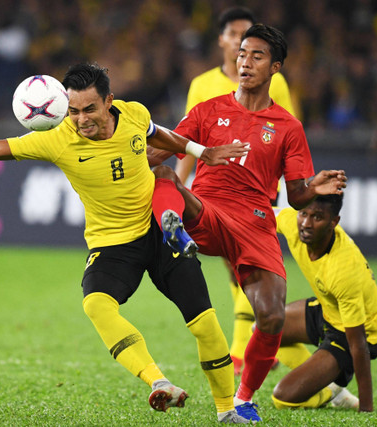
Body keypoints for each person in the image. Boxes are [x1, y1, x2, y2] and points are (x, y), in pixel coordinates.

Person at [0, 63, 253, 424]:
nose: (81, 119)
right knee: (96, 305)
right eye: (73, 110)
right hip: (111, 244)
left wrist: (203, 153)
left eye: (90, 109)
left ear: (109, 101)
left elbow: (159, 134)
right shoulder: (56, 136)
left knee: (203, 322)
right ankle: (160, 382)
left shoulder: (134, 113)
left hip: (156, 231)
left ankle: (226, 410)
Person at [148, 24, 347, 422]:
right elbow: (157, 154)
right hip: (206, 209)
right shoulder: (208, 110)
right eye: (242, 54)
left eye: (256, 56)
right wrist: (132, 153)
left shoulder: (288, 127)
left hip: (256, 221)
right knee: (167, 177)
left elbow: (295, 196)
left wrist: (316, 186)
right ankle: (174, 228)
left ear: (275, 67)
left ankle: (242, 398)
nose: (245, 62)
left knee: (271, 317)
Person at [177, 6, 299, 378]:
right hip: (213, 194)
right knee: (240, 274)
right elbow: (183, 142)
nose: (241, 50)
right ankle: (240, 350)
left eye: (251, 44)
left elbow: (285, 133)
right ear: (223, 40)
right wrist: (177, 188)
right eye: (235, 37)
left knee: (249, 280)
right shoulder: (202, 86)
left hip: (257, 197)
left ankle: (247, 351)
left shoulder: (275, 85)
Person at [273, 194, 377, 412]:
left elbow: (359, 344)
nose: (306, 223)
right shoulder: (293, 222)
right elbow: (258, 214)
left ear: (334, 222)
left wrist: (366, 408)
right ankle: (326, 382)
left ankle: (330, 390)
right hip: (329, 310)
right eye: (303, 214)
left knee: (283, 399)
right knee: (265, 328)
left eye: (317, 217)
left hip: (360, 331)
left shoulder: (344, 269)